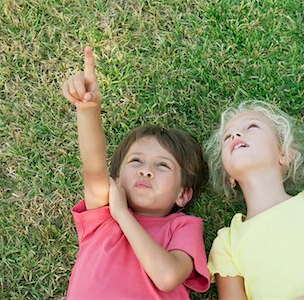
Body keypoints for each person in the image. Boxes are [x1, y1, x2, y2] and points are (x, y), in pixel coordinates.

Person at [62, 46, 210, 299]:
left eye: (162, 165)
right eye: (136, 161)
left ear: (183, 194)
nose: (146, 171)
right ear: (117, 180)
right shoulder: (102, 216)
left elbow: (167, 277)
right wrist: (88, 109)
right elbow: (93, 164)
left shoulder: (183, 226)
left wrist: (122, 214)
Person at [205, 100, 304, 300]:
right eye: (227, 137)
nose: (235, 135)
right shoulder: (226, 242)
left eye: (252, 127)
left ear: (285, 154)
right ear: (230, 177)